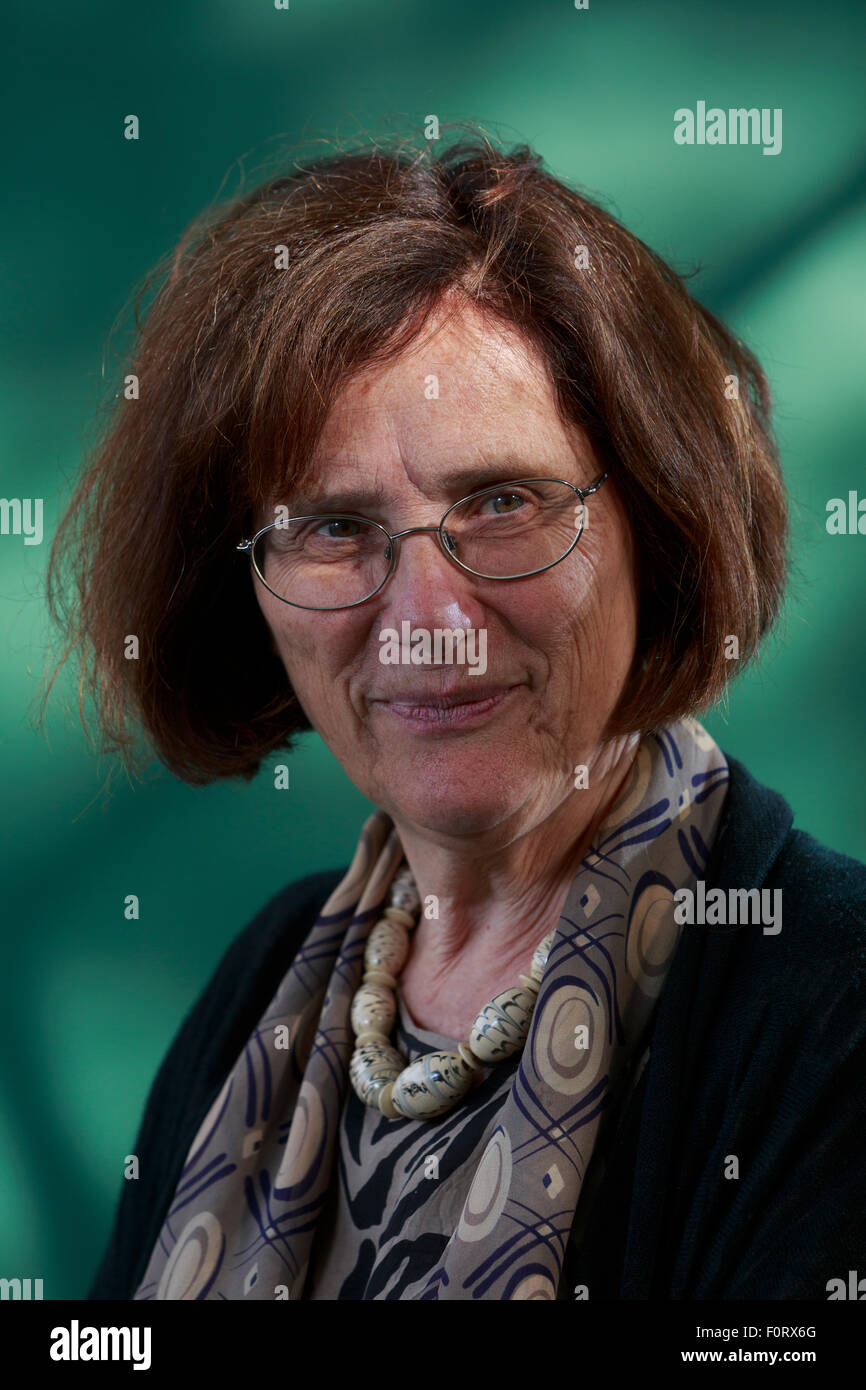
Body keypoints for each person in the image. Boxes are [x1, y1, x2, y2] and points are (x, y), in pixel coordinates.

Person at [46, 132, 866, 1301]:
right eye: (333, 527)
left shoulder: (830, 1007)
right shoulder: (264, 983)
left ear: (658, 517)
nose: (427, 618)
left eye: (500, 502)